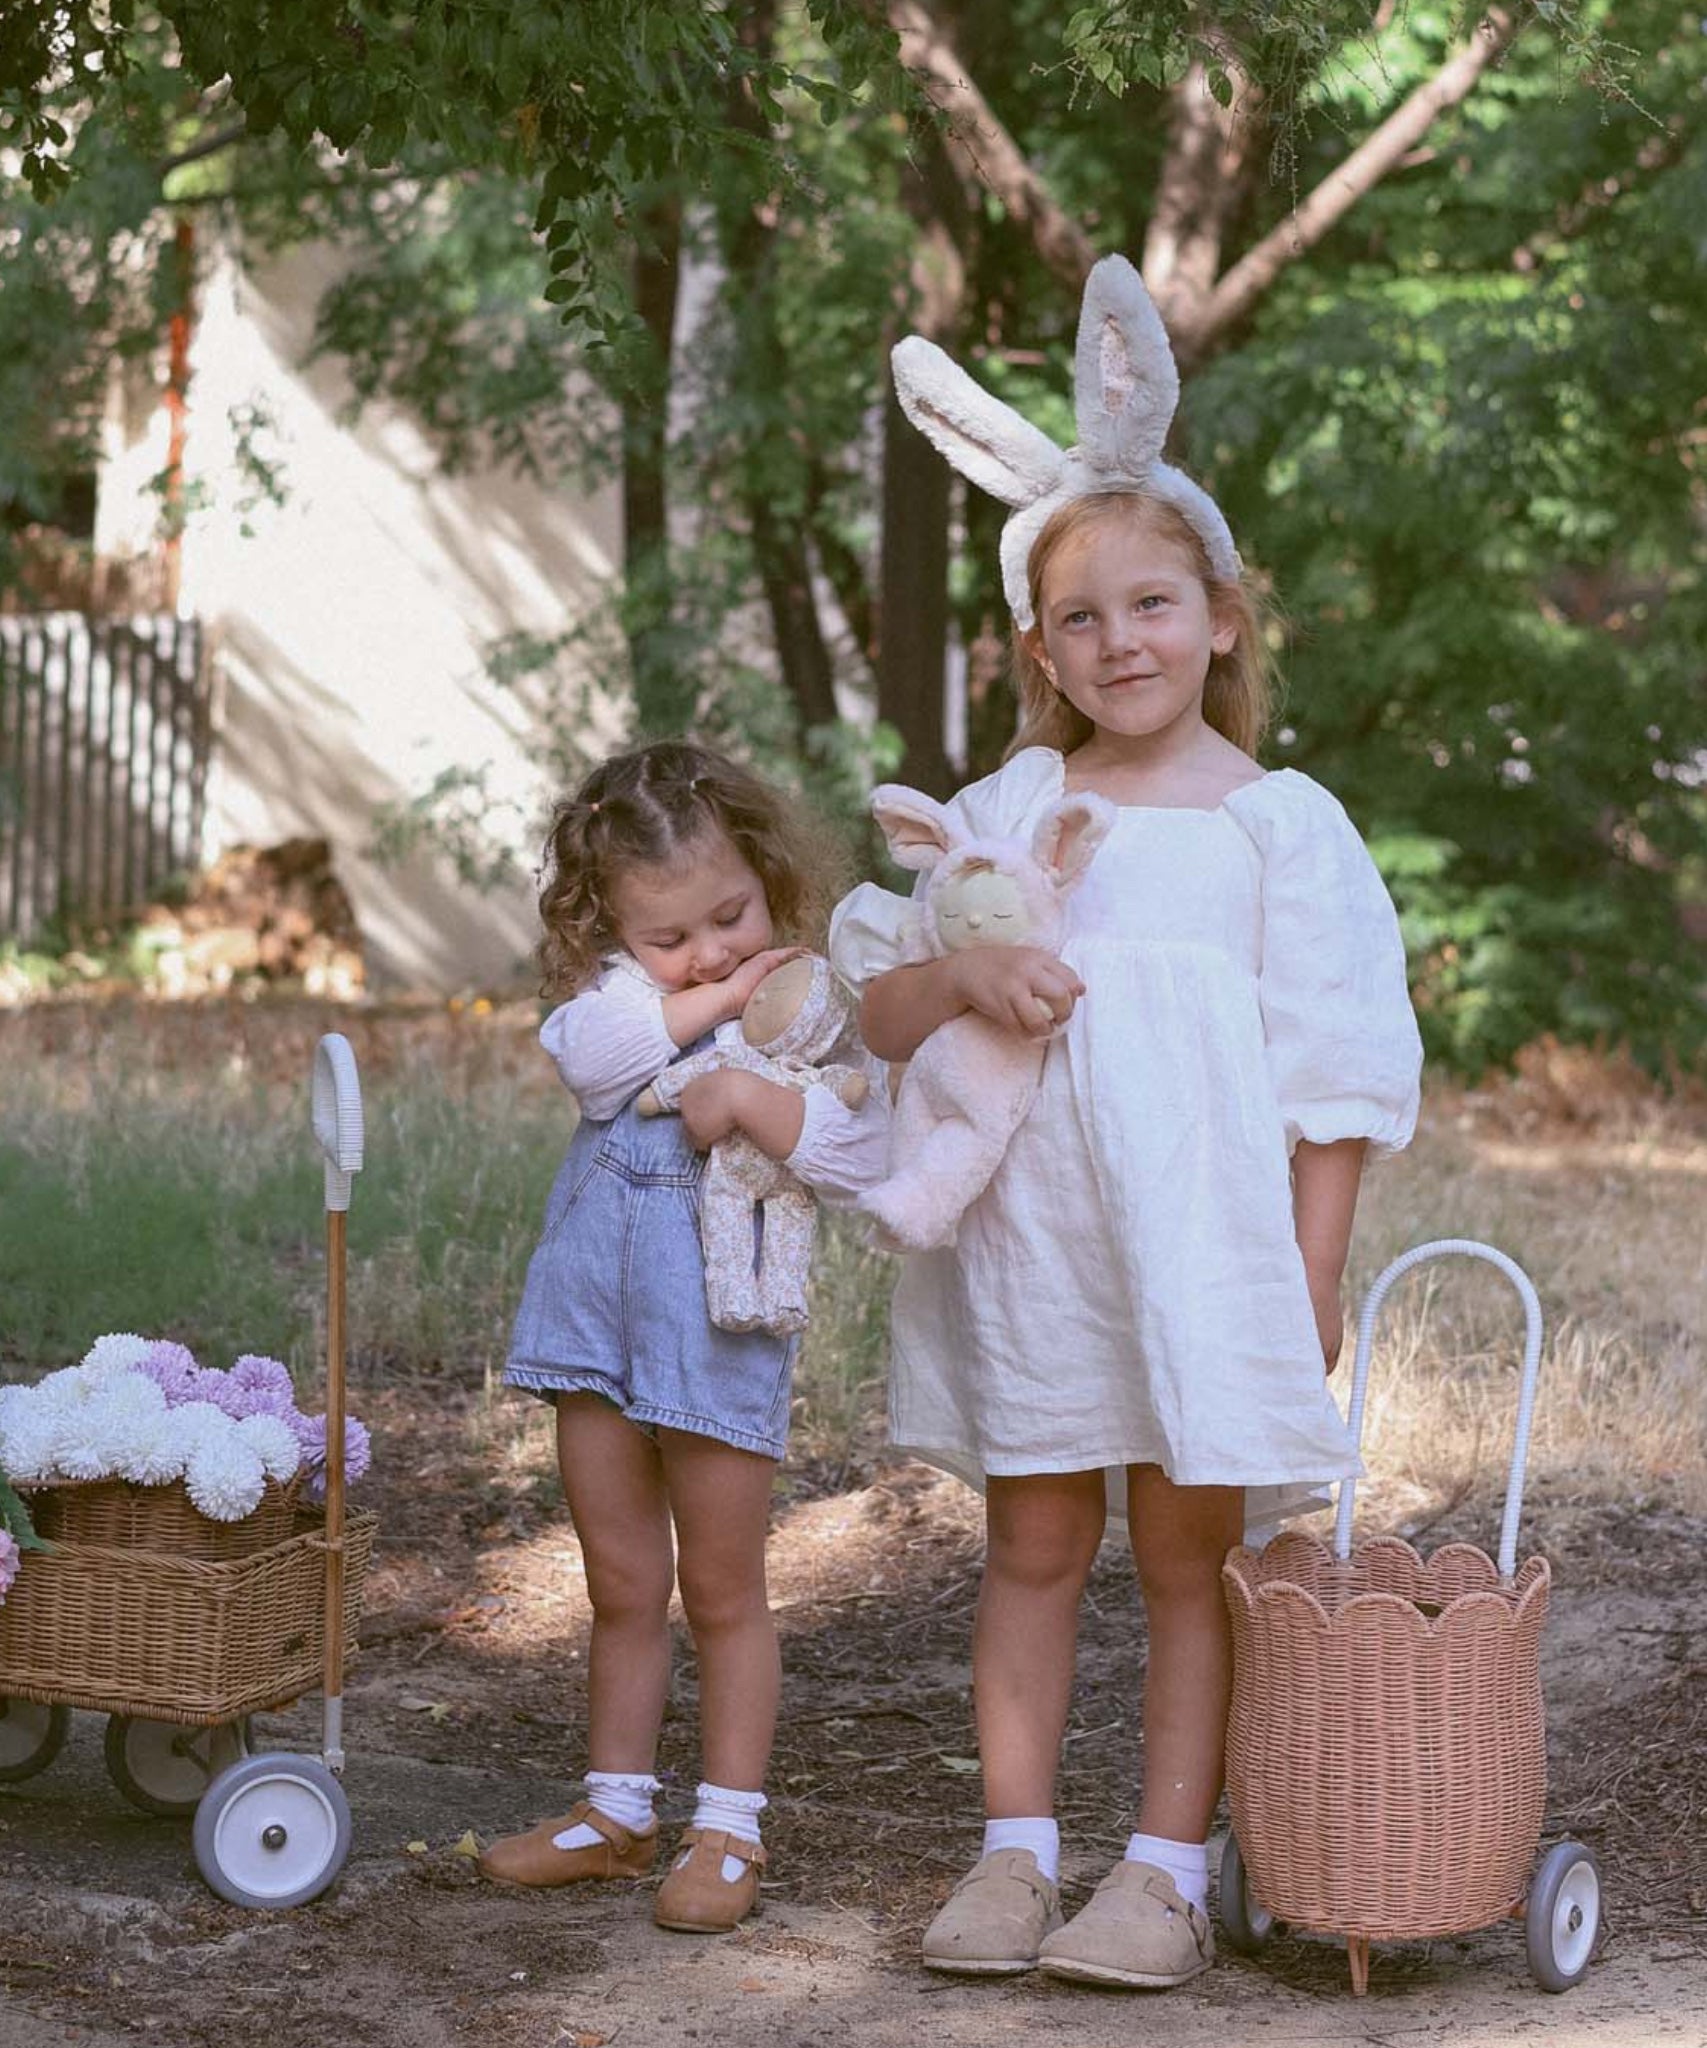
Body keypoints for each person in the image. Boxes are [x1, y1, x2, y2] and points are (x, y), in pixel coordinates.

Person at [830, 255, 1422, 1989]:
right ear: (1038, 648)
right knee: (1029, 1542)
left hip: (1196, 1246)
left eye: (1154, 607)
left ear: (1224, 613)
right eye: (1080, 621)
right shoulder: (1009, 807)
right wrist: (963, 989)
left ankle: (1161, 1866)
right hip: (1033, 1248)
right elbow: (878, 1005)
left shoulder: (1278, 826)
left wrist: (1306, 1274)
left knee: (1184, 1554)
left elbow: (1335, 1075)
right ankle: (1013, 1849)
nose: (1122, 644)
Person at [480, 738, 887, 1933]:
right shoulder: (619, 1007)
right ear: (609, 933)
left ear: (772, 878)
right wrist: (708, 1003)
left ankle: (728, 1827)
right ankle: (614, 1811)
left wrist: (754, 1088)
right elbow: (594, 1066)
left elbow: (859, 1149)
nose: (710, 949)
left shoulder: (809, 1018)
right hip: (596, 1327)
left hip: (717, 1327)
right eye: (670, 939)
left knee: (721, 1586)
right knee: (618, 1578)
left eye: (731, 915)